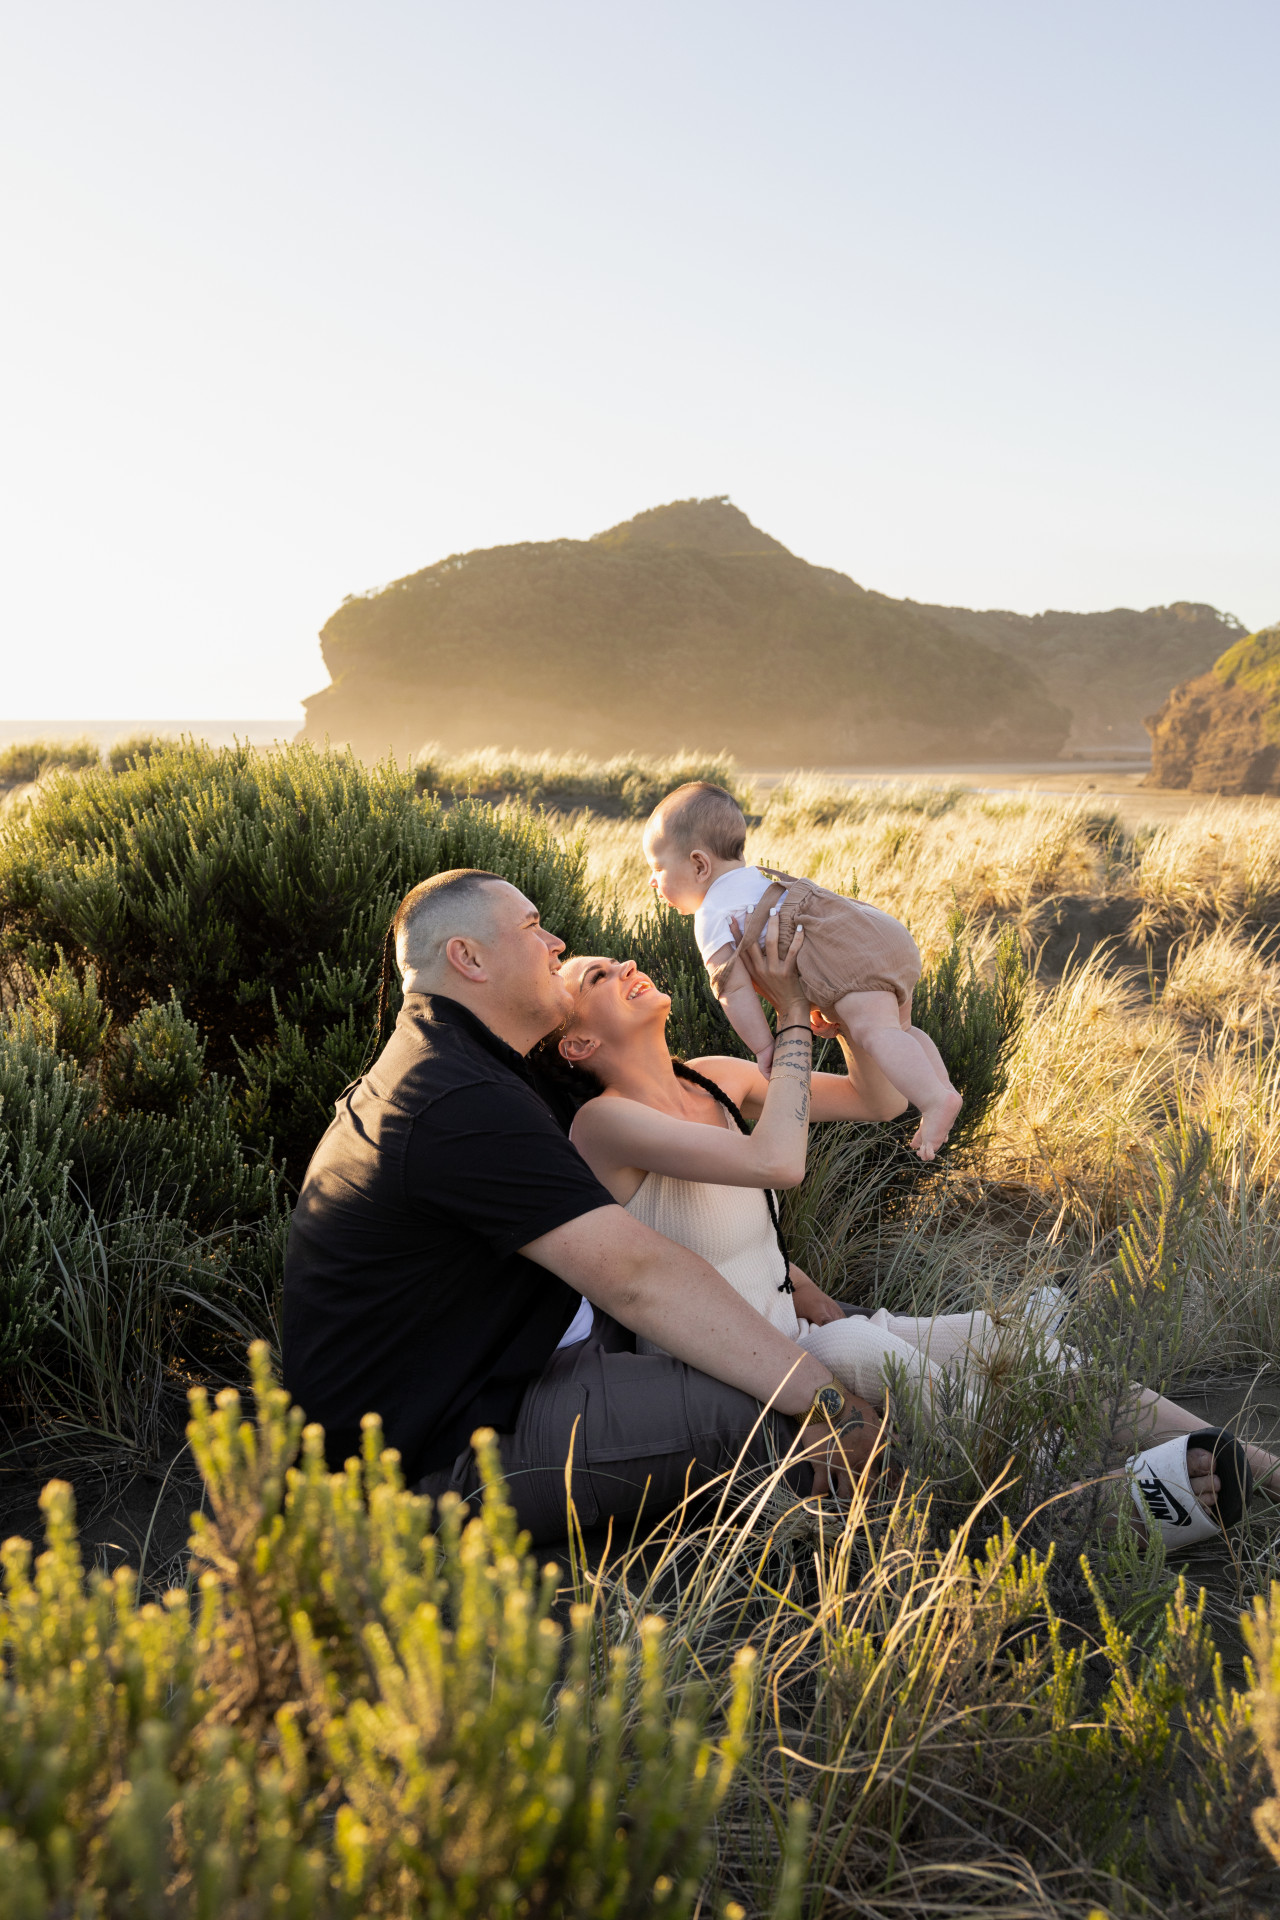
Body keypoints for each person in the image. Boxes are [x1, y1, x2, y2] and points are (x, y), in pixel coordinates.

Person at [543, 924, 1280, 1552]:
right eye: (600, 976)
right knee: (868, 1351)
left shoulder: (714, 1080)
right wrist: (792, 1017)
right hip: (728, 1380)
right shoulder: (601, 1126)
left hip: (799, 1334)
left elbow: (878, 1098)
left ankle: (1250, 1461)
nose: (629, 967)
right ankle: (1089, 1509)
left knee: (1016, 1346)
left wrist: (851, 1015)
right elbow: (778, 1162)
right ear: (576, 1041)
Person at [281, 867, 889, 1549]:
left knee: (811, 1355)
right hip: (432, 1455)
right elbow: (637, 1274)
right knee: (765, 1405)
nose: (556, 942)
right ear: (468, 958)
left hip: (510, 1374)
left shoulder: (473, 1067)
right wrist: (825, 1400)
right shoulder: (451, 1097)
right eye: (534, 927)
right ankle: (853, 1552)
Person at [642, 780, 962, 1159]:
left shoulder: (712, 913)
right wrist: (823, 1000)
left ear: (699, 864)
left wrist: (765, 1046)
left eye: (658, 868)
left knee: (875, 1033)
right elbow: (803, 942)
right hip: (878, 932)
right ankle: (943, 1089)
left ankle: (934, 1100)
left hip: (848, 957)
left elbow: (732, 989)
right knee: (898, 1031)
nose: (652, 881)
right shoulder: (761, 879)